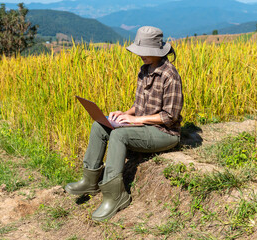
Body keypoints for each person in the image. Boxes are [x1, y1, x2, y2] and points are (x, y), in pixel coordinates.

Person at [65, 26, 183, 221]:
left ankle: (115, 195)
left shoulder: (170, 75)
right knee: (99, 125)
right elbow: (140, 105)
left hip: (164, 133)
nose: (141, 56)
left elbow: (170, 116)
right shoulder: (144, 70)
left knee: (119, 135)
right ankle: (90, 180)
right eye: (140, 52)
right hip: (144, 127)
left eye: (145, 52)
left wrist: (136, 120)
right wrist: (125, 114)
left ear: (157, 52)